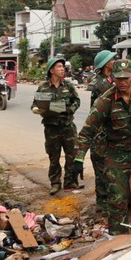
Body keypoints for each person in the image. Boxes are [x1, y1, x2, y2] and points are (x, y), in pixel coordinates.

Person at [75, 60, 131, 233]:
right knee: (117, 198)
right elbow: (87, 130)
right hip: (117, 154)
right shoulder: (105, 100)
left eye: (126, 78)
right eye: (118, 78)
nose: (123, 82)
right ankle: (118, 234)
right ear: (113, 77)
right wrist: (79, 158)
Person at [32, 57, 81, 195]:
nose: (62, 69)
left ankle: (69, 182)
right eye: (59, 66)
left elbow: (77, 101)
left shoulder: (68, 86)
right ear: (51, 70)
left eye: (63, 67)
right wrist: (36, 109)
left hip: (67, 126)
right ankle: (55, 183)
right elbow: (35, 104)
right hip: (51, 127)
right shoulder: (43, 87)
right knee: (54, 157)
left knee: (72, 155)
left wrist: (70, 109)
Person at [86, 50, 116, 215]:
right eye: (112, 60)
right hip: (101, 133)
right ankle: (102, 204)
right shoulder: (103, 84)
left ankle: (104, 203)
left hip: (104, 131)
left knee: (105, 169)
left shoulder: (107, 80)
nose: (115, 61)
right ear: (106, 64)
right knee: (102, 169)